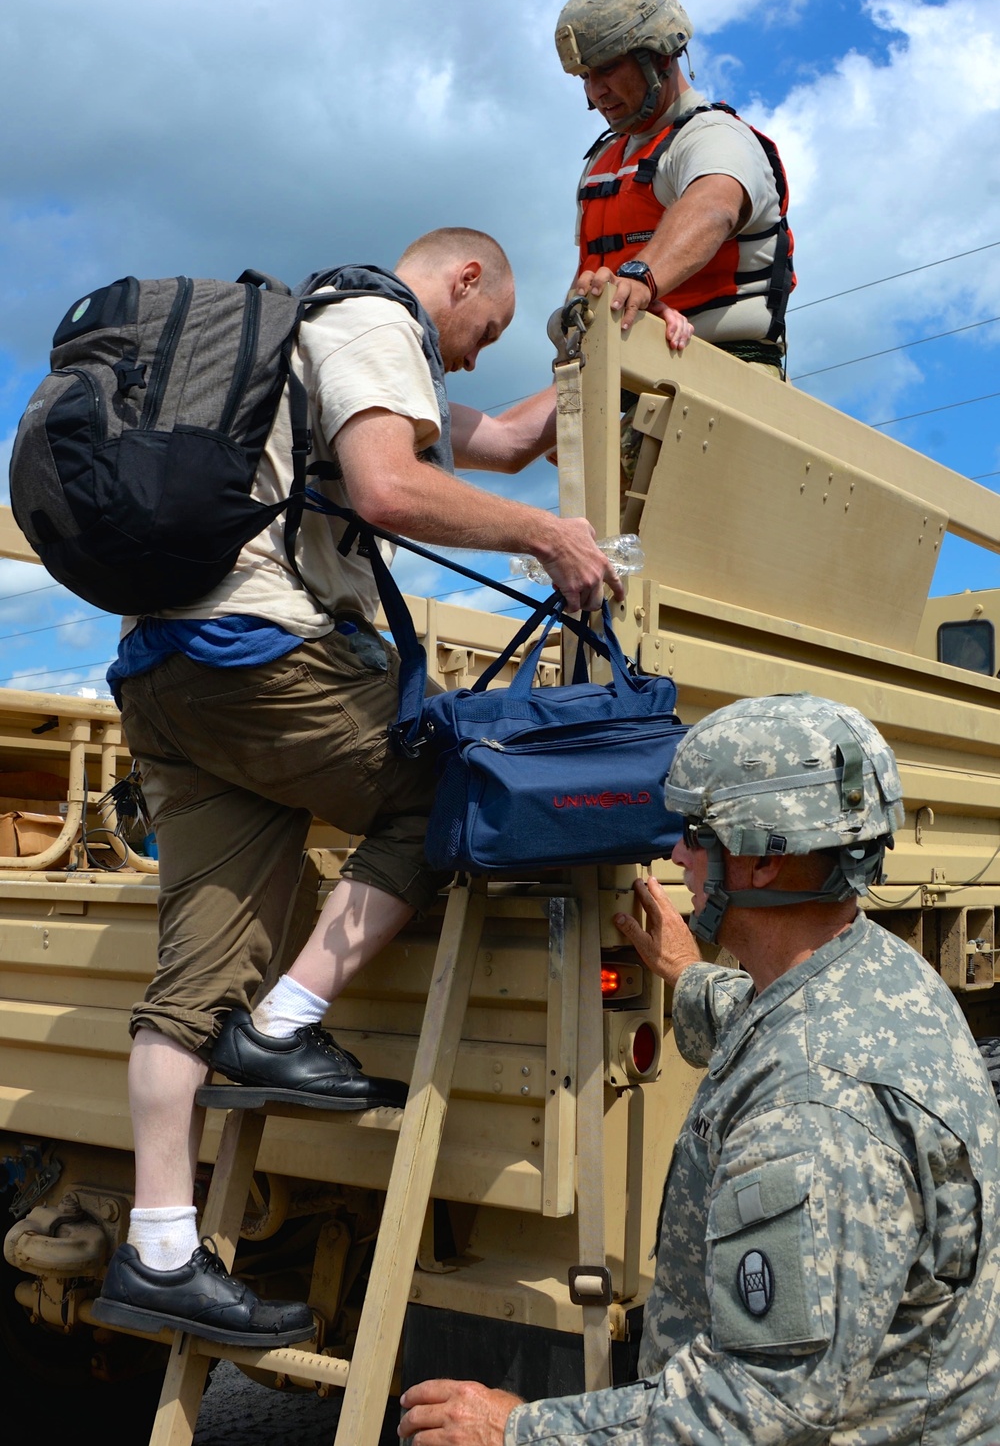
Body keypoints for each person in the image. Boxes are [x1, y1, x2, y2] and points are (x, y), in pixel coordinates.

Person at [91, 227, 623, 1348]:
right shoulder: (376, 319)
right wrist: (548, 538)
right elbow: (390, 488)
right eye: (482, 332)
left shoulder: (329, 349)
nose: (473, 358)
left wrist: (613, 323)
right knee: (464, 784)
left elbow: (513, 437)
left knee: (193, 974)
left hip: (169, 676)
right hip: (262, 656)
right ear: (462, 279)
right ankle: (289, 1020)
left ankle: (160, 1248)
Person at [399, 693, 1000, 1443]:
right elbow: (768, 1020)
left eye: (693, 832)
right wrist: (688, 974)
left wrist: (516, 1429)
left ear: (764, 856)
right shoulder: (876, 974)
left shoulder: (815, 1112)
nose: (676, 855)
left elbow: (757, 1409)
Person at [556, 0, 794, 404]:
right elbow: (584, 283)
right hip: (615, 378)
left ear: (662, 57)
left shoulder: (713, 136)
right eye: (585, 76)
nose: (595, 91)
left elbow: (713, 207)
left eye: (607, 68)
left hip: (722, 374)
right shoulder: (601, 162)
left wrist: (640, 279)